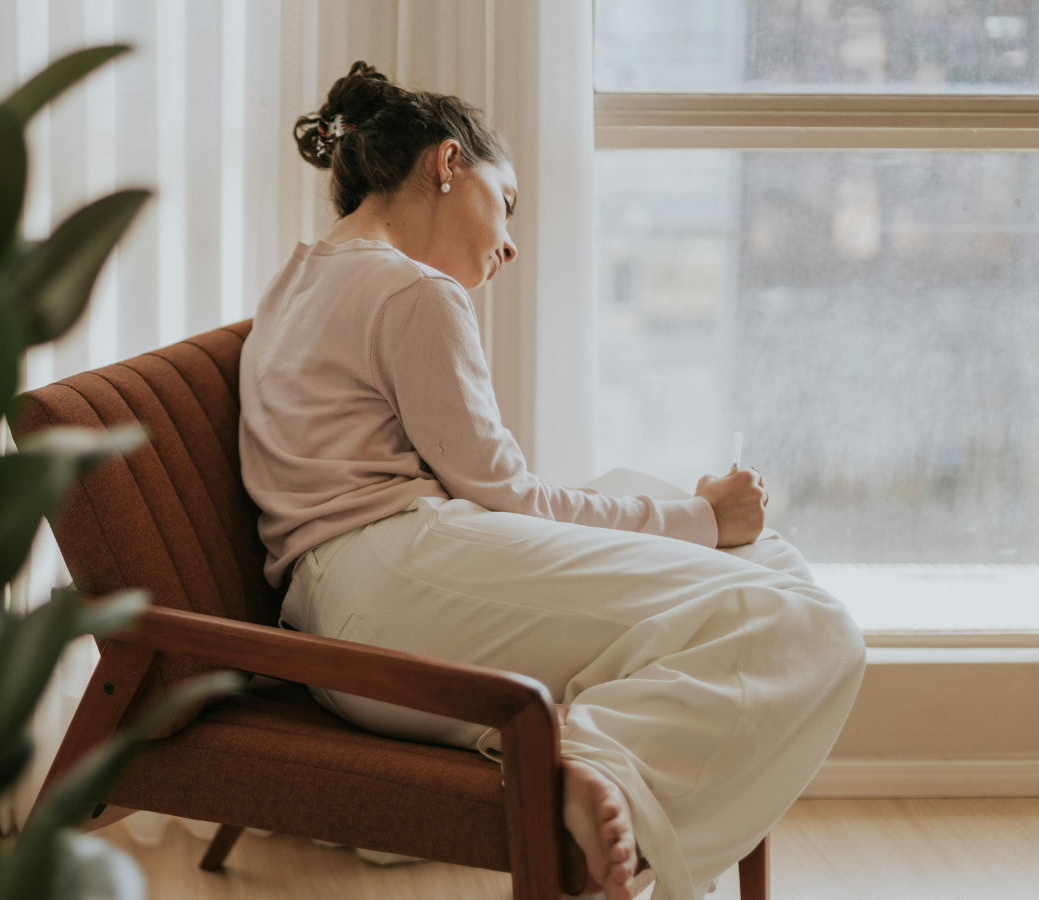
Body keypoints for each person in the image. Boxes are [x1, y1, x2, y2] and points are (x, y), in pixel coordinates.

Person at [237, 61, 865, 900]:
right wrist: (703, 520)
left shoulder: (299, 278)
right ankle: (590, 758)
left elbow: (490, 492)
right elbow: (509, 497)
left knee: (758, 570)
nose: (511, 243)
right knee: (809, 626)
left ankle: (587, 749)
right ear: (448, 164)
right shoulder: (410, 290)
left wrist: (699, 520)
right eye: (506, 203)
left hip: (348, 613)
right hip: (391, 593)